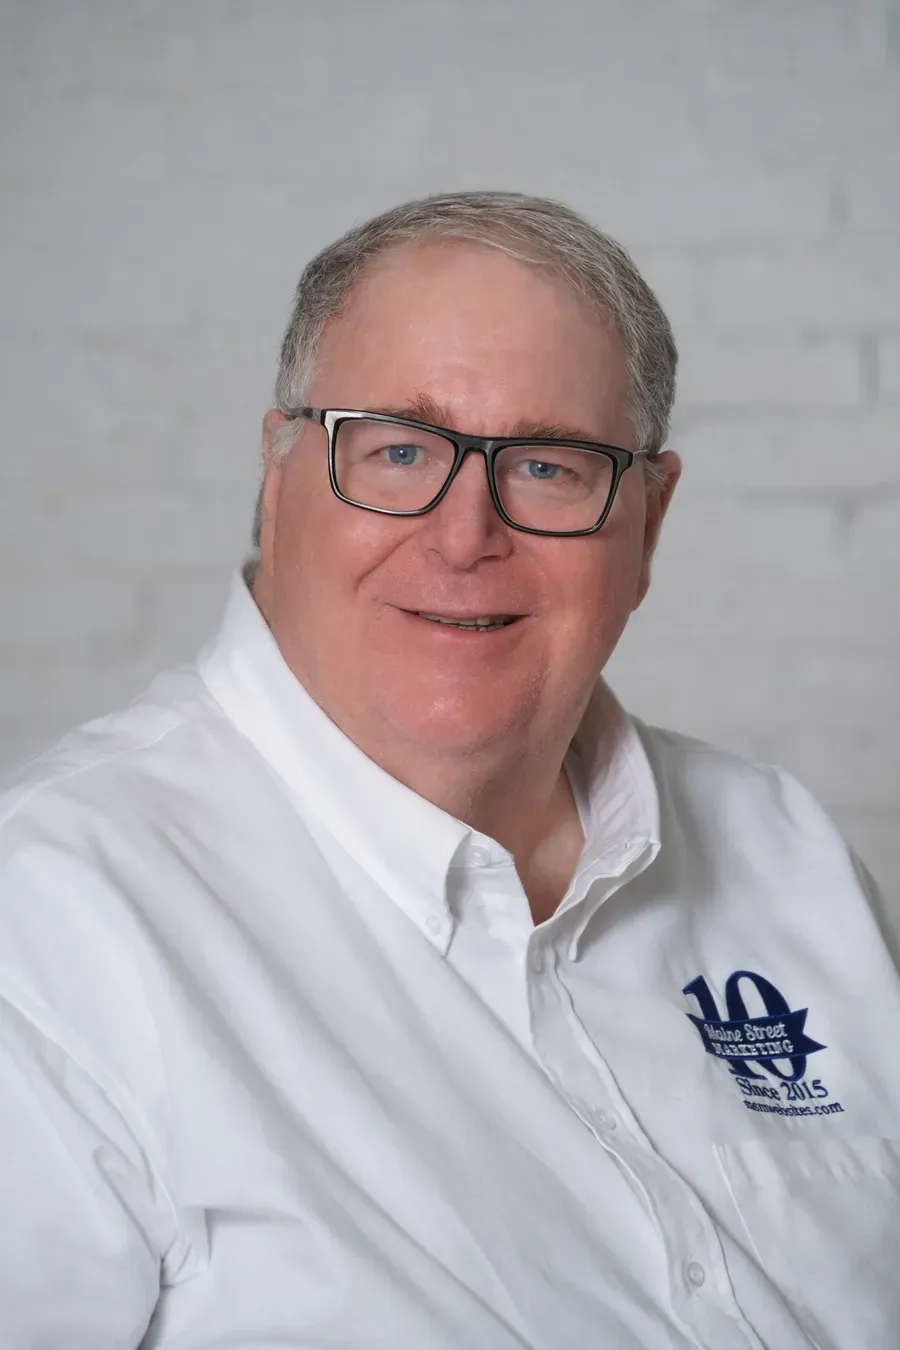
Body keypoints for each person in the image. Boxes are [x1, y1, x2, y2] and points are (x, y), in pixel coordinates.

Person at [1, 191, 898, 1350]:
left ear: (650, 522)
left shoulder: (784, 852)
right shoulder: (50, 926)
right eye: (401, 450)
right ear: (280, 481)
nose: (465, 534)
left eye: (548, 467)